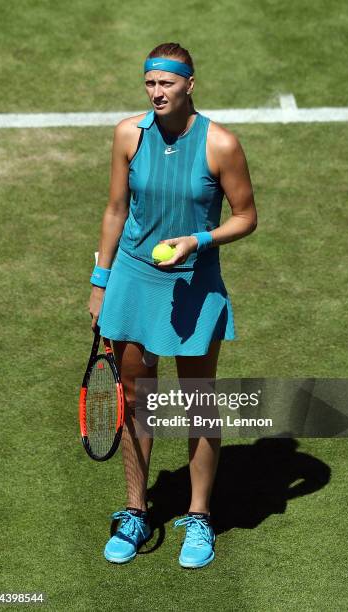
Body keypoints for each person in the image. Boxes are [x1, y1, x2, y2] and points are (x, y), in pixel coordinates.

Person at [88, 42, 257, 568]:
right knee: (137, 399)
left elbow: (246, 216)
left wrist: (198, 240)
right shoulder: (127, 135)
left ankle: (200, 516)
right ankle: (136, 511)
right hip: (135, 280)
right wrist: (100, 282)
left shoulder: (221, 144)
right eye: (150, 84)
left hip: (194, 283)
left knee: (197, 403)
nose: (157, 93)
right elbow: (117, 208)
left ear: (190, 84)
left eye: (167, 83)